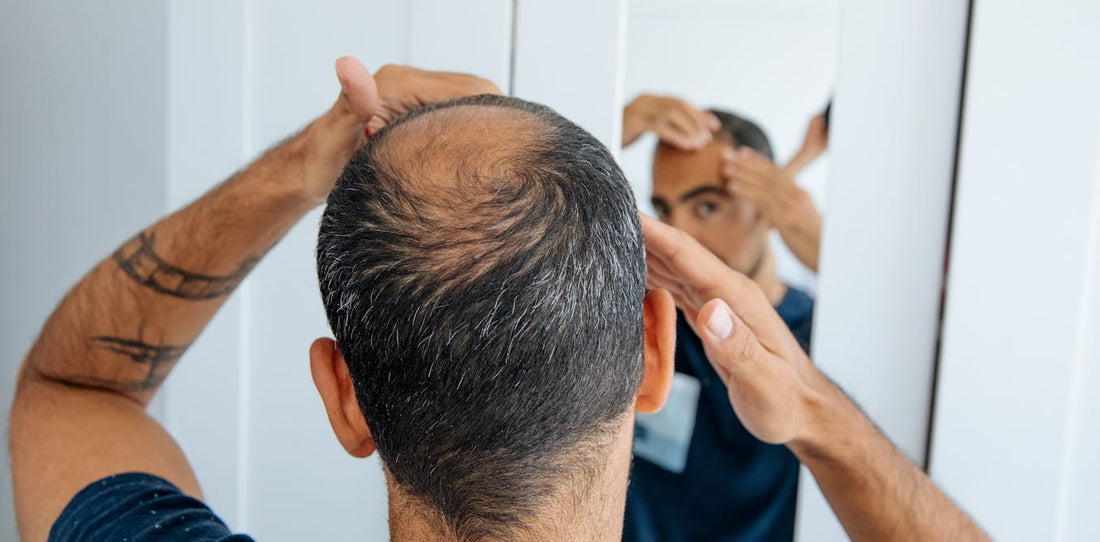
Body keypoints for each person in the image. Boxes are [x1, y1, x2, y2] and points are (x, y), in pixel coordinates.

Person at [9, 58, 986, 541]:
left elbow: (71, 391)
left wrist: (301, 167)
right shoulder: (718, 357)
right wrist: (818, 416)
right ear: (653, 348)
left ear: (343, 395)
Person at [620, 96, 816, 541]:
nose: (678, 236)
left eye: (707, 206)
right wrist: (602, 128)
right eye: (665, 209)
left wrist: (828, 252)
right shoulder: (647, 317)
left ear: (768, 210)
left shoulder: (822, 336)